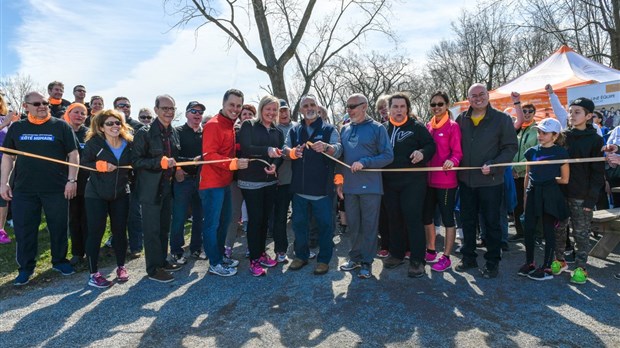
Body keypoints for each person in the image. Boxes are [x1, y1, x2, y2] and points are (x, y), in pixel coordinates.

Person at [1, 91, 79, 286]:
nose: (42, 106)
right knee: (24, 229)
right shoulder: (17, 127)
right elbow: (8, 157)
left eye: (45, 102)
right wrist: (4, 182)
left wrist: (72, 180)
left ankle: (59, 261)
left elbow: (73, 153)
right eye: (37, 103)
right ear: (26, 107)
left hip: (56, 188)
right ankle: (26, 268)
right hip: (24, 190)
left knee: (58, 227)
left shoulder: (60, 126)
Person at [454, 83, 517, 279]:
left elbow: (510, 148)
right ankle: (469, 257)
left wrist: (495, 164)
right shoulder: (461, 119)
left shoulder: (502, 119)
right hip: (466, 181)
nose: (478, 98)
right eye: (473, 95)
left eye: (481, 94)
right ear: (468, 98)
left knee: (492, 222)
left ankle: (492, 262)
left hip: (490, 181)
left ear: (488, 96)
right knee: (468, 221)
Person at [337, 93, 394, 279]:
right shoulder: (344, 129)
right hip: (349, 187)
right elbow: (341, 158)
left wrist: (366, 161)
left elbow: (388, 156)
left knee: (369, 226)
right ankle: (354, 257)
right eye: (347, 106)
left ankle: (367, 262)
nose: (350, 110)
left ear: (364, 106)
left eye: (353, 106)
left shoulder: (377, 128)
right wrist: (339, 182)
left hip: (370, 187)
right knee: (353, 225)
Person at [285, 95, 342, 275]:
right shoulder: (294, 131)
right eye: (305, 106)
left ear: (318, 108)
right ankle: (300, 256)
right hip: (300, 190)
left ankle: (324, 260)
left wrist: (326, 147)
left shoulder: (329, 129)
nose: (309, 108)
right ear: (301, 110)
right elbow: (285, 150)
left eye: (312, 105)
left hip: (322, 190)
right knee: (299, 226)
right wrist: (293, 152)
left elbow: (339, 149)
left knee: (326, 227)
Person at [381, 92, 435, 277]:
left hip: (413, 183)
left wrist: (422, 152)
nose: (398, 110)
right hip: (389, 182)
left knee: (413, 219)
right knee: (393, 218)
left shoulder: (417, 127)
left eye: (402, 106)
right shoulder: (382, 129)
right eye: (395, 106)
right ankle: (396, 254)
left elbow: (431, 145)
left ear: (408, 109)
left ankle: (417, 259)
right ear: (389, 109)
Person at [132, 94, 183, 283]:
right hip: (150, 189)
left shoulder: (174, 132)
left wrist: (184, 164)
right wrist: (158, 163)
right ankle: (153, 269)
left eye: (172, 109)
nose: (169, 112)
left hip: (167, 187)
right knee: (152, 230)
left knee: (163, 228)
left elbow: (174, 159)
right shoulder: (143, 133)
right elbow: (136, 161)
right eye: (165, 108)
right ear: (156, 110)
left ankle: (162, 261)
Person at [553, 97, 605, 285]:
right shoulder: (562, 136)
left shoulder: (596, 140)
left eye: (577, 112)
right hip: (561, 192)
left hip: (582, 196)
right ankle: (559, 260)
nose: (572, 115)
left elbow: (598, 173)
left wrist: (591, 198)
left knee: (580, 233)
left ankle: (581, 267)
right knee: (559, 229)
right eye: (570, 111)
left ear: (589, 116)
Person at [82, 110, 133, 288]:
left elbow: (138, 162)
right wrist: (99, 165)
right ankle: (93, 273)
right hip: (96, 194)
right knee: (96, 231)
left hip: (120, 193)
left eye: (117, 123)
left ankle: (121, 266)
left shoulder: (128, 143)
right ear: (101, 127)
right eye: (110, 123)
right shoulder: (94, 143)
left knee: (120, 231)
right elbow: (82, 163)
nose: (115, 126)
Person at [201, 89, 248, 277]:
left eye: (238, 106)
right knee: (212, 224)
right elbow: (209, 155)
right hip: (212, 183)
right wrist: (233, 163)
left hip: (225, 181)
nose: (235, 109)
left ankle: (220, 256)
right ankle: (214, 262)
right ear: (223, 103)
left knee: (225, 221)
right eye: (232, 105)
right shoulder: (213, 125)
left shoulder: (230, 124)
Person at [516, 118, 569, 281]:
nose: (540, 135)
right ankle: (529, 262)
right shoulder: (531, 151)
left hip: (550, 194)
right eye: (539, 132)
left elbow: (565, 179)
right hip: (533, 193)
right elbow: (527, 174)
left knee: (548, 230)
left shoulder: (561, 152)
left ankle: (546, 267)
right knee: (529, 229)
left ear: (554, 135)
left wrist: (550, 180)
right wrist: (526, 194)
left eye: (544, 133)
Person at [238, 95, 284, 277]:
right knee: (255, 220)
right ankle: (254, 259)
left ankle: (262, 253)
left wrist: (275, 165)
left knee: (265, 220)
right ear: (261, 109)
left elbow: (279, 154)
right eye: (268, 109)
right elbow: (246, 148)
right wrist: (266, 150)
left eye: (275, 110)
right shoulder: (249, 125)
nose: (271, 113)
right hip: (251, 181)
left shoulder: (277, 132)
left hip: (269, 181)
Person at [423, 91, 462, 272]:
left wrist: (452, 161)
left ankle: (446, 257)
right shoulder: (427, 126)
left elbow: (458, 153)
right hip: (428, 181)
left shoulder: (453, 126)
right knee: (427, 217)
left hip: (446, 182)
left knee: (447, 219)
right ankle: (431, 250)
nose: (436, 107)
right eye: (433, 104)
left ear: (446, 105)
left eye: (440, 104)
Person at [169, 101, 206, 264]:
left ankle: (196, 248)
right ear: (186, 114)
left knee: (200, 217)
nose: (197, 114)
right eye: (193, 111)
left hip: (201, 180)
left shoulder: (205, 133)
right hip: (182, 180)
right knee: (179, 217)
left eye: (200, 112)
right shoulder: (177, 131)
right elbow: (172, 156)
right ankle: (177, 250)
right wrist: (178, 170)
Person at [114, 96, 144, 258]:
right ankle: (118, 244)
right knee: (117, 214)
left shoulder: (138, 127)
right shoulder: (110, 124)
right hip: (114, 177)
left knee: (134, 213)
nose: (125, 108)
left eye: (127, 105)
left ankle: (136, 246)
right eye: (121, 105)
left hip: (134, 176)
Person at [224, 104, 255, 260]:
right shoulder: (233, 133)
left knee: (251, 214)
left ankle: (252, 246)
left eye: (250, 114)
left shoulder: (258, 133)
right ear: (240, 116)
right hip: (235, 180)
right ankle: (228, 246)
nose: (247, 116)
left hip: (254, 181)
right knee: (234, 214)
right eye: (244, 114)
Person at [63, 103, 90, 266]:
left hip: (88, 183)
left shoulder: (89, 133)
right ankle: (77, 253)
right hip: (69, 182)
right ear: (68, 113)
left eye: (83, 113)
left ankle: (90, 251)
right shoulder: (63, 130)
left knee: (88, 219)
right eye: (76, 112)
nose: (79, 115)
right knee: (74, 219)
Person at [272, 99, 298, 263]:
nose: (283, 113)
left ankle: (300, 247)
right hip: (280, 180)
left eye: (285, 110)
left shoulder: (298, 127)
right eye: (279, 110)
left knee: (300, 216)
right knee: (280, 217)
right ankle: (280, 250)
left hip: (299, 179)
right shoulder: (272, 129)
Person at [509, 93, 538, 242]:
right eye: (524, 111)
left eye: (530, 111)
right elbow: (511, 150)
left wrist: (520, 169)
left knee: (531, 203)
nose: (526, 114)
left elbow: (534, 152)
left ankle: (533, 232)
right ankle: (520, 231)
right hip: (514, 173)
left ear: (534, 113)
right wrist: (513, 168)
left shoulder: (537, 130)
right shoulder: (516, 129)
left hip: (529, 173)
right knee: (517, 203)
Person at [0, 90, 19, 244]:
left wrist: (15, 124)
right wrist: (5, 123)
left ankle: (1, 230)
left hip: (4, 163)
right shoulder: (4, 120)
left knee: (3, 196)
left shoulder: (5, 117)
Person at [375, 94, 391, 258]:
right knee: (383, 212)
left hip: (402, 177)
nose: (384, 111)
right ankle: (385, 243)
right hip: (381, 177)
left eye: (386, 107)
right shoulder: (379, 127)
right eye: (380, 108)